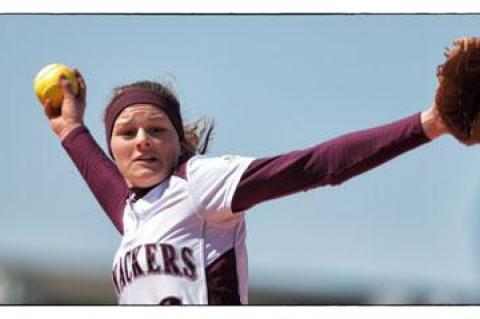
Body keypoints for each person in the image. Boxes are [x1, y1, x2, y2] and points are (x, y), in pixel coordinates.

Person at [42, 70, 450, 305]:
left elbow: (316, 165)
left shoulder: (200, 183)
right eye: (126, 132)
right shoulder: (133, 215)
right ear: (112, 147)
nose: (142, 139)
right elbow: (98, 174)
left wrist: (429, 124)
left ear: (177, 141)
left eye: (156, 129)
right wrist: (70, 128)